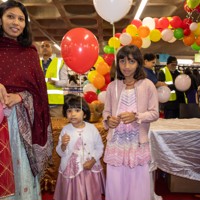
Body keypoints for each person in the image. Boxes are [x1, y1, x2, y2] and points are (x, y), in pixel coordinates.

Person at [0, 0, 52, 199]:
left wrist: (20, 96)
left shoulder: (29, 52)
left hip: (20, 124)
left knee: (19, 170)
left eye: (21, 19)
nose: (16, 23)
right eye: (10, 16)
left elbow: (39, 91)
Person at [103, 45, 159, 200]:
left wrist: (137, 116)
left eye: (131, 61)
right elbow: (106, 112)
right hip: (116, 143)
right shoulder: (112, 86)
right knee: (116, 181)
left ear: (138, 63)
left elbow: (155, 113)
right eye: (122, 61)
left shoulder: (147, 85)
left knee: (137, 181)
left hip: (137, 143)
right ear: (117, 63)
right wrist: (109, 120)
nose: (126, 66)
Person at [54, 95, 105, 200]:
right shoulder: (65, 130)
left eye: (77, 110)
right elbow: (60, 152)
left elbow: (100, 147)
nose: (73, 114)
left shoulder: (92, 129)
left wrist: (93, 161)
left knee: (91, 193)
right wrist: (63, 145)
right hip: (72, 171)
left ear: (85, 114)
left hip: (90, 169)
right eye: (69, 111)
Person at [40, 40, 68, 117]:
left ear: (52, 49)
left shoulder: (59, 63)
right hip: (40, 103)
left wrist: (55, 82)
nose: (45, 48)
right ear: (40, 50)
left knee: (57, 127)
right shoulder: (37, 63)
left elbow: (65, 82)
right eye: (42, 46)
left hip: (56, 105)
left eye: (47, 46)